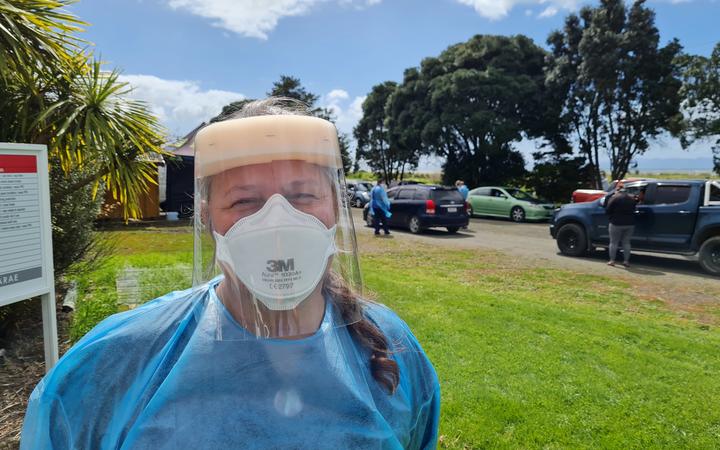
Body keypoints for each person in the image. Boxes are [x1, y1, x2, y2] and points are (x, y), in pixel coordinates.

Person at [21, 98, 440, 449]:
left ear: (334, 207)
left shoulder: (392, 350)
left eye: (302, 196)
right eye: (244, 202)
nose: (279, 224)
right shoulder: (118, 360)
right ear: (207, 220)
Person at [605, 180, 638, 267]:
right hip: (630, 223)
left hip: (616, 223)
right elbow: (634, 208)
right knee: (626, 243)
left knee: (613, 242)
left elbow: (608, 209)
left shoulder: (615, 198)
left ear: (618, 190)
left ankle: (612, 260)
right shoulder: (632, 199)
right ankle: (626, 261)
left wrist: (610, 217)